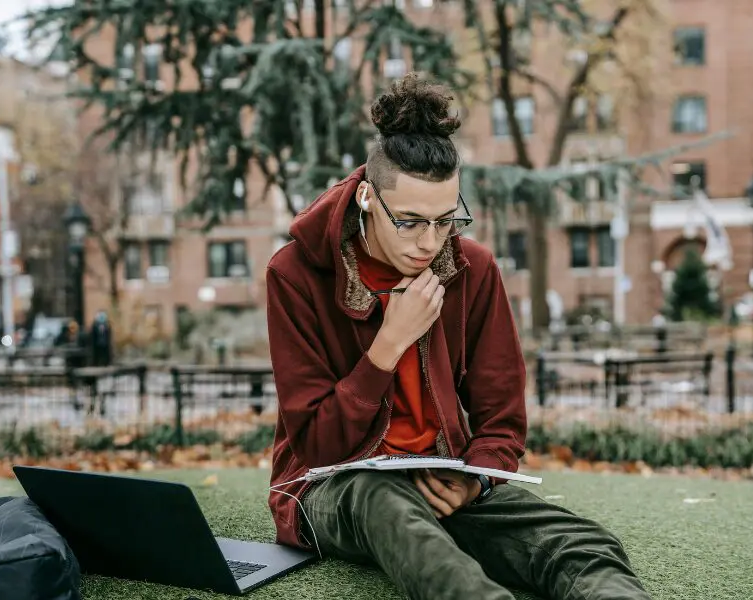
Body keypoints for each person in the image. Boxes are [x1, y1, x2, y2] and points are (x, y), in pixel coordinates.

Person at [265, 73, 651, 600]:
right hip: (334, 489)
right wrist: (387, 346)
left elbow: (502, 418)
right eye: (410, 222)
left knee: (580, 544)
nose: (430, 242)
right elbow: (315, 445)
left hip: (447, 483)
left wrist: (476, 479)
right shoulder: (295, 274)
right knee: (383, 501)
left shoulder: (472, 269)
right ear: (366, 199)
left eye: (446, 220)